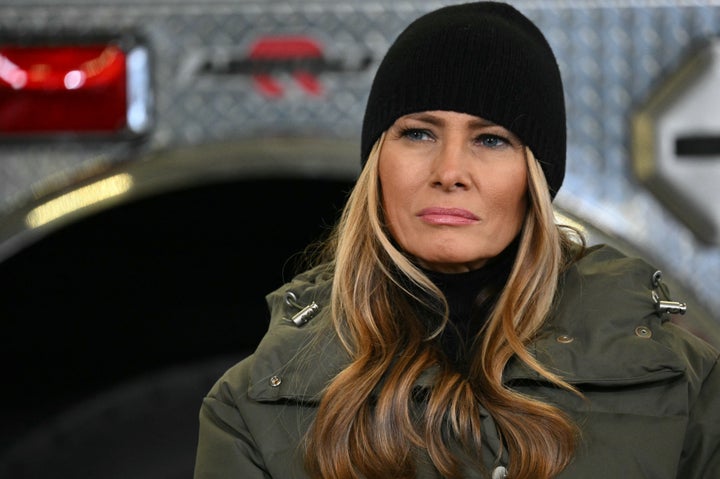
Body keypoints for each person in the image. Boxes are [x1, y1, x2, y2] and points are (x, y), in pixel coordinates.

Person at [192, 2, 720, 478]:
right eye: (419, 133)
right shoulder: (253, 406)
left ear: (535, 177)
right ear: (378, 163)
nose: (450, 171)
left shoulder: (686, 388)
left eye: (491, 140)